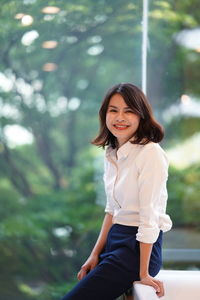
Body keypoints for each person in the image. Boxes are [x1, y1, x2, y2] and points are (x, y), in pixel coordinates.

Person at [61, 83, 172, 300]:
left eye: (129, 111)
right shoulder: (112, 152)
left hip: (137, 248)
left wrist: (143, 273)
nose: (120, 117)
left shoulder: (150, 153)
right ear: (105, 115)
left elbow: (149, 217)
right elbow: (112, 210)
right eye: (113, 110)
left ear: (141, 115)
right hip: (115, 240)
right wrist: (95, 255)